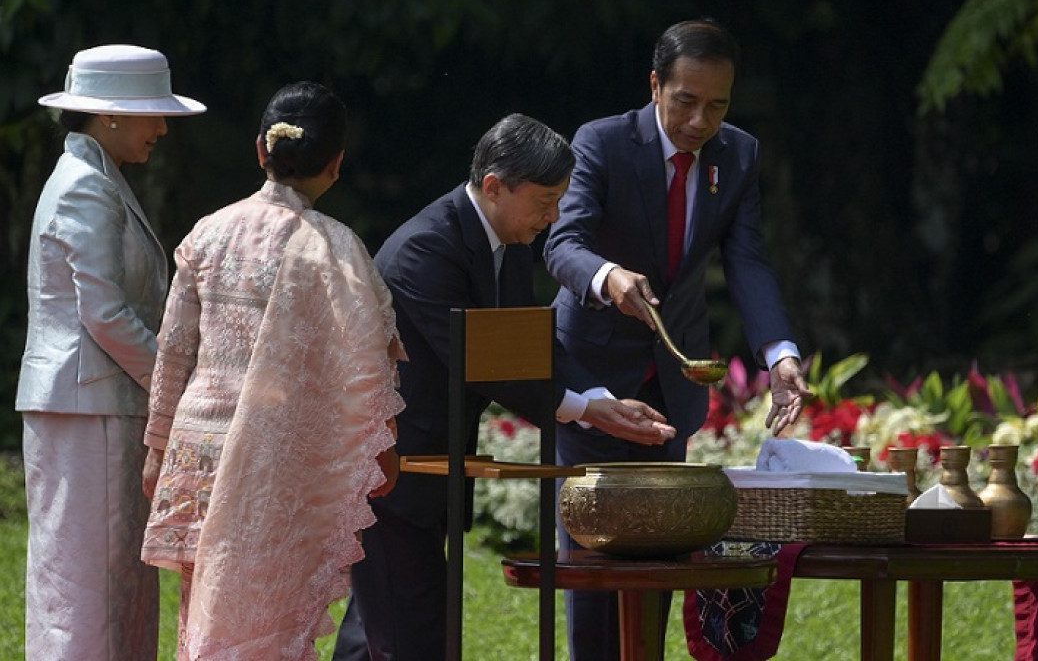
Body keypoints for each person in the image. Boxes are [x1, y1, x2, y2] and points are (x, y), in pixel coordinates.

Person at [332, 112, 676, 661]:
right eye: (545, 201)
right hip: (392, 464)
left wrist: (601, 399)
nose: (554, 216)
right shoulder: (427, 247)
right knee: (412, 633)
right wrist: (583, 410)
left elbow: (530, 341)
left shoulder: (508, 238)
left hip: (432, 465)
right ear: (494, 186)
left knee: (380, 628)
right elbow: (482, 361)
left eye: (560, 200)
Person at [543, 18, 813, 660]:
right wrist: (608, 278)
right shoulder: (602, 142)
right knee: (592, 558)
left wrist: (779, 354)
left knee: (661, 553)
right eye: (686, 101)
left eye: (717, 105)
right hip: (592, 375)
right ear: (655, 85)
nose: (700, 121)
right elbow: (563, 243)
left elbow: (747, 260)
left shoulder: (738, 154)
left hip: (672, 380)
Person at [139, 81, 405, 660]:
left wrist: (158, 447)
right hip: (274, 460)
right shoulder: (336, 247)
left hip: (200, 451)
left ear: (261, 149)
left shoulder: (207, 231)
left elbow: (173, 350)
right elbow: (369, 363)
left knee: (203, 607)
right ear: (336, 164)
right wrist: (379, 446)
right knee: (268, 616)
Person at [16, 44, 206, 661]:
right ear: (110, 114)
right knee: (86, 587)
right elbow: (104, 314)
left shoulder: (96, 179)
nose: (162, 129)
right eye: (153, 114)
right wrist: (173, 386)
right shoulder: (86, 186)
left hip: (97, 403)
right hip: (87, 405)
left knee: (107, 580)